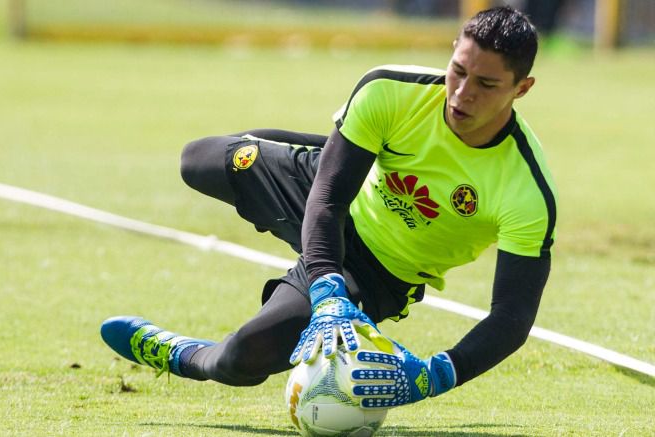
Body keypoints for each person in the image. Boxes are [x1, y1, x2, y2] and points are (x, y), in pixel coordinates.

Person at [101, 5, 556, 408]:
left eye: (487, 84)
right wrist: (325, 287)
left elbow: (511, 317)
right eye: (458, 71)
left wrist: (434, 376)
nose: (461, 94)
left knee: (243, 357)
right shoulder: (389, 90)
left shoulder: (527, 192)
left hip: (379, 273)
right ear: (453, 49)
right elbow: (330, 196)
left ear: (523, 88)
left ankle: (178, 352)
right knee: (196, 160)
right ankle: (346, 149)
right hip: (330, 193)